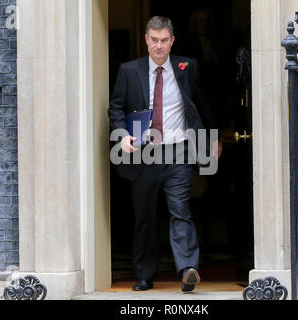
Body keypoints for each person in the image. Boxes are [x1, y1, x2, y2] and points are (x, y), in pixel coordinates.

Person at [108, 16, 222, 292]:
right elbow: (116, 108)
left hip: (178, 152)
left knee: (180, 210)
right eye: (154, 40)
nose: (159, 46)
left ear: (172, 41)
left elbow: (201, 104)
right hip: (143, 155)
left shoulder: (187, 67)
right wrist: (121, 136)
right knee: (144, 217)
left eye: (164, 40)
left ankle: (187, 270)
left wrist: (213, 138)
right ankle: (145, 275)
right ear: (146, 39)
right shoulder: (128, 70)